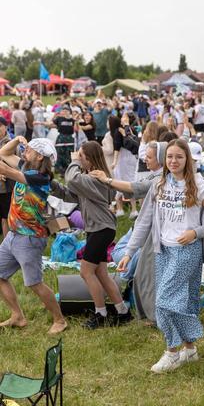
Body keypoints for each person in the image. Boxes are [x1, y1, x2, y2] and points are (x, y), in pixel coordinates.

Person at [119, 139, 204, 373]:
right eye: (170, 157)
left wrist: (195, 232)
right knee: (182, 301)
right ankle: (190, 348)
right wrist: (128, 252)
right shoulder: (159, 184)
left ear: (187, 159)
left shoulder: (197, 184)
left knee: (163, 301)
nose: (174, 161)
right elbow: (144, 221)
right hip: (162, 249)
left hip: (187, 250)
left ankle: (172, 352)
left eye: (179, 157)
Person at [89, 141, 168, 323]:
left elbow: (136, 188)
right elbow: (136, 190)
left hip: (151, 235)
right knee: (125, 256)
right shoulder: (156, 176)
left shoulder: (160, 180)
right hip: (141, 230)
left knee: (125, 258)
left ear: (160, 159)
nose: (145, 160)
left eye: (149, 157)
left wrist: (107, 180)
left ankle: (127, 287)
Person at [0, 137, 67, 335]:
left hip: (29, 238)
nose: (23, 151)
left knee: (34, 283)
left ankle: (60, 320)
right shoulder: (26, 166)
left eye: (28, 149)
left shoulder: (41, 177)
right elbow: (3, 154)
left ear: (39, 156)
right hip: (13, 236)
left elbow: (5, 169)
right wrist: (16, 140)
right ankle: (17, 316)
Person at [63, 142, 132, 329]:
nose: (78, 158)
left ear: (89, 158)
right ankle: (122, 312)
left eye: (81, 155)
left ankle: (100, 314)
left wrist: (74, 162)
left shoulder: (96, 179)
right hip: (99, 229)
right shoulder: (92, 177)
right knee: (100, 273)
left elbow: (71, 180)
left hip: (101, 229)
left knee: (86, 272)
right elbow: (71, 191)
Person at [109, 114, 138, 218]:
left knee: (121, 182)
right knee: (129, 181)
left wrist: (114, 161)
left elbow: (116, 147)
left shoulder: (119, 131)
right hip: (131, 157)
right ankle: (131, 209)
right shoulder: (132, 129)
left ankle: (125, 209)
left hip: (123, 158)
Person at [0, 118, 14, 238]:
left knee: (6, 217)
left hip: (6, 187)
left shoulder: (11, 143)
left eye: (0, 126)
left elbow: (16, 165)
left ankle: (6, 245)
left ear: (6, 126)